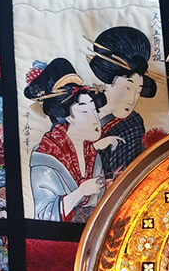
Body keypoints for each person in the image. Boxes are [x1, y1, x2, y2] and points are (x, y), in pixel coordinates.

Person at [24, 58, 120, 222]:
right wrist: (80, 192)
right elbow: (43, 214)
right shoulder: (45, 157)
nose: (95, 118)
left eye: (94, 109)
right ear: (67, 116)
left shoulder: (90, 150)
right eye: (84, 111)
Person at [87, 26, 158, 178]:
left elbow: (126, 176)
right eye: (127, 88)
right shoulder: (80, 112)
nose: (132, 100)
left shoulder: (132, 124)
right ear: (107, 84)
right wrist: (94, 148)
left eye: (138, 91)